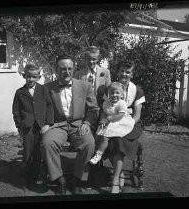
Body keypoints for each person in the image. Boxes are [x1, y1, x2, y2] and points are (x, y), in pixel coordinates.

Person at [43, 54, 99, 195]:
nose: (66, 72)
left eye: (69, 68)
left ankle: (77, 178)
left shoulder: (85, 86)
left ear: (73, 69)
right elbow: (41, 110)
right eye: (62, 69)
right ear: (56, 70)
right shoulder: (47, 88)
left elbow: (93, 109)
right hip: (57, 125)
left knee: (89, 143)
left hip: (78, 124)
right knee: (47, 143)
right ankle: (59, 179)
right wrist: (45, 124)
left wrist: (87, 123)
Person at [104, 61, 145, 194]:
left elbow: (137, 114)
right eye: (122, 71)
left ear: (132, 74)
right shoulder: (111, 88)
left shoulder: (137, 90)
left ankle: (115, 180)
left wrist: (127, 125)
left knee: (119, 140)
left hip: (131, 122)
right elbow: (106, 108)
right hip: (113, 119)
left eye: (128, 72)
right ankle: (120, 172)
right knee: (107, 139)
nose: (124, 74)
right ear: (118, 72)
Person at [12, 63, 54, 189]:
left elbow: (49, 106)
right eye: (28, 77)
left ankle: (40, 175)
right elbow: (16, 111)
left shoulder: (43, 89)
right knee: (28, 152)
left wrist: (48, 123)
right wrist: (20, 126)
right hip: (28, 127)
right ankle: (29, 177)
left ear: (38, 77)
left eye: (34, 77)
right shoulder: (20, 92)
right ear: (24, 76)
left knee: (40, 151)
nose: (31, 79)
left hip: (42, 126)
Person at [89, 82, 135, 165]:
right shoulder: (107, 103)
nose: (114, 95)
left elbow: (120, 115)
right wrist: (103, 119)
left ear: (121, 95)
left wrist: (109, 119)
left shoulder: (121, 103)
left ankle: (99, 154)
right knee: (97, 135)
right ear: (109, 94)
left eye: (117, 93)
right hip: (107, 121)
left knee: (105, 138)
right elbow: (104, 112)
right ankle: (95, 151)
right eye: (112, 93)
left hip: (117, 122)